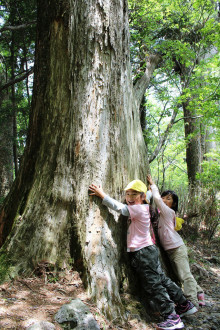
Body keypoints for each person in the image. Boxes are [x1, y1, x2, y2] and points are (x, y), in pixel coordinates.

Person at [89, 179, 197, 330]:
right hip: (149, 250)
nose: (130, 197)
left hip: (143, 252)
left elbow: (122, 209)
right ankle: (184, 304)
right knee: (162, 279)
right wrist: (149, 190)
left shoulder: (139, 209)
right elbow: (148, 195)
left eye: (135, 194)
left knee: (153, 284)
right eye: (127, 194)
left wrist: (103, 196)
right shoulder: (145, 206)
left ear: (141, 197)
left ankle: (171, 316)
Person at [147, 174, 205, 311]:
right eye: (164, 197)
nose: (164, 200)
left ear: (173, 204)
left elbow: (156, 199)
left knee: (185, 276)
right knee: (182, 274)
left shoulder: (169, 212)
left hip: (177, 248)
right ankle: (200, 292)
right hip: (171, 250)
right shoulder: (162, 214)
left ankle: (192, 302)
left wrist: (153, 185)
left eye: (168, 199)